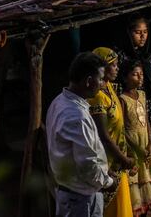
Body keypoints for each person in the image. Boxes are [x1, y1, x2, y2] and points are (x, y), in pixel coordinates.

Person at [47, 52, 118, 217]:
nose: (102, 84)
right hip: (80, 198)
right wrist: (108, 181)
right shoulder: (76, 116)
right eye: (100, 79)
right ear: (88, 81)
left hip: (72, 192)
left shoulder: (60, 101)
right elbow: (87, 166)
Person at [89, 48, 135, 217]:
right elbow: (103, 135)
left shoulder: (109, 87)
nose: (117, 68)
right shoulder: (98, 97)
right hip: (108, 162)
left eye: (117, 64)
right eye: (112, 65)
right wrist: (124, 159)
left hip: (117, 156)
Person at [119, 60, 151, 216]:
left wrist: (150, 142)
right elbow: (122, 129)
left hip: (145, 143)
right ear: (125, 78)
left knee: (147, 178)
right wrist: (136, 149)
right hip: (133, 146)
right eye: (135, 74)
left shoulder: (143, 95)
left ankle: (145, 210)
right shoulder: (122, 99)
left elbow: (145, 120)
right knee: (135, 183)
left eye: (142, 74)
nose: (140, 77)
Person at [115, 14, 151, 134]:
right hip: (129, 109)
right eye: (138, 32)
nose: (142, 36)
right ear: (129, 33)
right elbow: (118, 89)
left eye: (145, 32)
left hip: (149, 108)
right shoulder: (121, 56)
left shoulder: (148, 55)